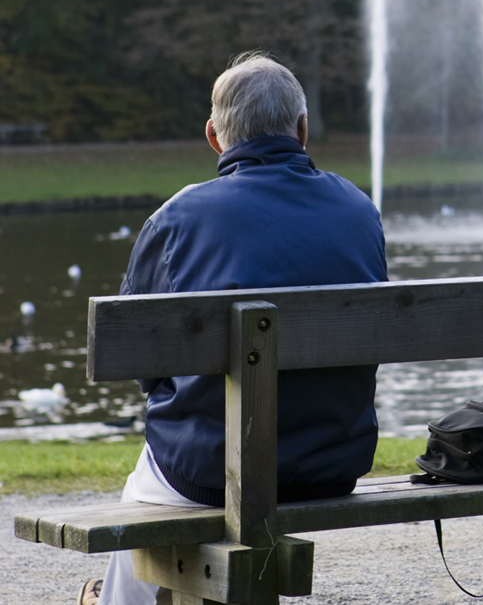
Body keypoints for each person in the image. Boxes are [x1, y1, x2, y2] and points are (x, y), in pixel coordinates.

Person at [81, 53, 387, 605]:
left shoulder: (177, 219)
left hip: (207, 472)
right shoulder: (359, 210)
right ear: (302, 129)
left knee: (143, 493)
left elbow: (144, 368)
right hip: (330, 464)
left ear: (214, 136)